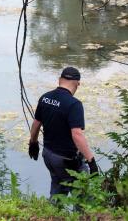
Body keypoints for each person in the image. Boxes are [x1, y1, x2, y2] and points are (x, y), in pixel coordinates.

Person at [28, 67, 98, 198]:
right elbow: (77, 134)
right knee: (84, 196)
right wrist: (91, 161)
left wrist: (33, 142)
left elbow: (36, 123)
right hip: (67, 160)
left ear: (60, 80)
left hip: (48, 155)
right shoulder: (74, 104)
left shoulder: (45, 98)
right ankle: (83, 217)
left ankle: (53, 213)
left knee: (58, 189)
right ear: (78, 83)